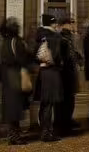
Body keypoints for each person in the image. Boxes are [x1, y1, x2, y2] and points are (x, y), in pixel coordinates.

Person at [0, 18, 33, 145]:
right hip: (15, 76)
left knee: (11, 107)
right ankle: (15, 136)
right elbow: (22, 59)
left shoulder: (5, 41)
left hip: (6, 76)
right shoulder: (16, 41)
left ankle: (12, 135)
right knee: (15, 106)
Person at [35, 14, 64, 142]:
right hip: (51, 71)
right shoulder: (54, 36)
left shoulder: (38, 34)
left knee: (44, 103)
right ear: (52, 23)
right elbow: (58, 56)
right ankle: (46, 132)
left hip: (41, 71)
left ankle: (43, 128)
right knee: (49, 103)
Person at [57, 17, 81, 135]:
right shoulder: (64, 38)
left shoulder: (68, 37)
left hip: (68, 73)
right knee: (66, 101)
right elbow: (66, 57)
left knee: (69, 100)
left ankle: (67, 122)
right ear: (65, 25)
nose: (73, 25)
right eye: (71, 23)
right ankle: (64, 126)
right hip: (66, 74)